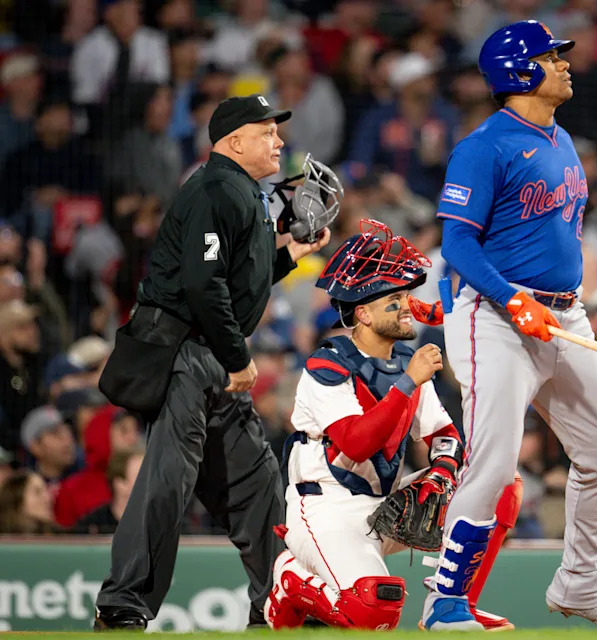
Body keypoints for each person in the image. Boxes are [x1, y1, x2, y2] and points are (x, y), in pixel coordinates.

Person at [420, 21, 597, 630]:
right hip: (493, 317)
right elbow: (457, 245)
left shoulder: (560, 138)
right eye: (551, 56)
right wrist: (512, 297)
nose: (564, 64)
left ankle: (579, 584)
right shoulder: (483, 146)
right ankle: (445, 602)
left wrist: (558, 300)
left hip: (562, 314)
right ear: (519, 72)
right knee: (492, 462)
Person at [92, 94, 334, 630]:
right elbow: (202, 286)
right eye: (267, 132)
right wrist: (237, 356)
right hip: (189, 355)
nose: (279, 141)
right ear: (233, 141)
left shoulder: (240, 191)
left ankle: (277, 604)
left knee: (256, 485)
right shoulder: (214, 187)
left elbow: (234, 282)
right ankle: (121, 606)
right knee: (167, 482)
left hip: (209, 356)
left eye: (278, 132)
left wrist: (286, 257)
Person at [264, 221, 518, 631]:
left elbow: (445, 436)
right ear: (362, 313)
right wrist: (408, 383)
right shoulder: (326, 364)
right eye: (394, 299)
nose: (407, 305)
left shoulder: (404, 362)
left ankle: (454, 605)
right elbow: (356, 442)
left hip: (383, 507)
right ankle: (292, 580)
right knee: (376, 609)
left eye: (405, 295)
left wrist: (441, 470)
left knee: (500, 481)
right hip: (326, 507)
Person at [0, 469, 56, 534]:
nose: (49, 498)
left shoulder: (61, 536)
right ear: (17, 500)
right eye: (37, 492)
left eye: (46, 491)